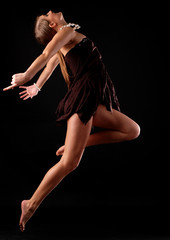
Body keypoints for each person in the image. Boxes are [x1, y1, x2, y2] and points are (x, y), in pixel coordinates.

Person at [3, 11, 140, 232]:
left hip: (93, 99)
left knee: (132, 130)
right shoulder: (66, 31)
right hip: (83, 99)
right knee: (69, 164)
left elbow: (51, 63)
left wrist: (37, 87)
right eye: (48, 14)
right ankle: (31, 204)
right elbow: (47, 54)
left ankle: (73, 145)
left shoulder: (69, 33)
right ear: (53, 24)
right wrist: (27, 76)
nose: (51, 11)